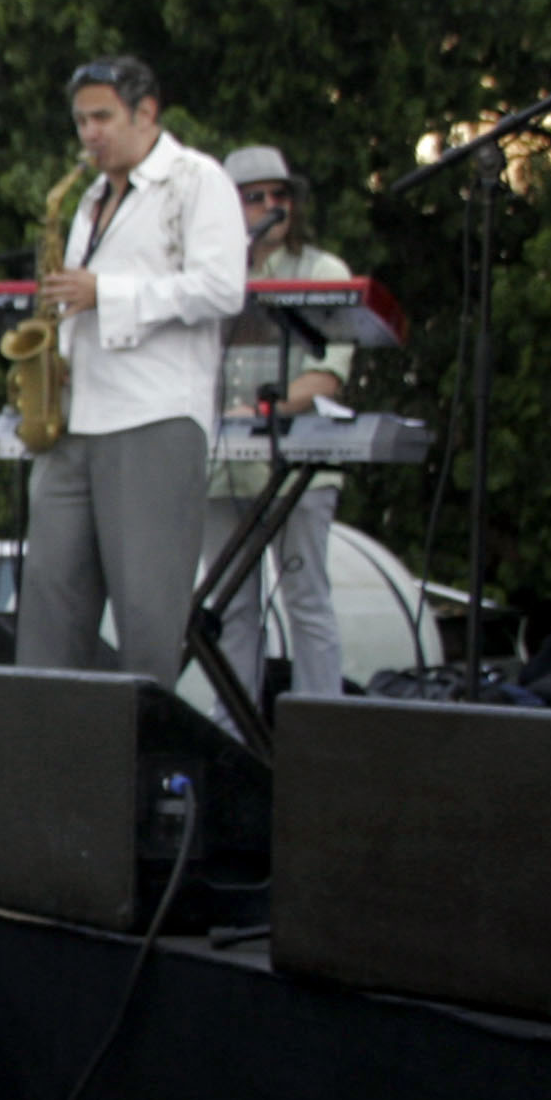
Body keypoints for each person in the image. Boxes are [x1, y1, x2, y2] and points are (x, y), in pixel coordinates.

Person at [21, 55, 247, 686]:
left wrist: (109, 294)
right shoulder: (91, 198)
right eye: (80, 121)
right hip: (78, 417)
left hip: (153, 413)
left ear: (146, 113)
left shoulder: (196, 180)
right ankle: (46, 757)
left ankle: (144, 764)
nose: (89, 134)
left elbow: (223, 289)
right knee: (48, 606)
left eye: (103, 117)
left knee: (147, 616)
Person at [203, 146, 354, 709]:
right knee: (230, 609)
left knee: (306, 602)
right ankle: (232, 734)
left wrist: (265, 413)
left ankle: (323, 728)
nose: (273, 205)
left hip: (296, 471)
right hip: (220, 470)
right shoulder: (211, 278)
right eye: (256, 197)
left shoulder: (321, 271)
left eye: (281, 195)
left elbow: (328, 377)